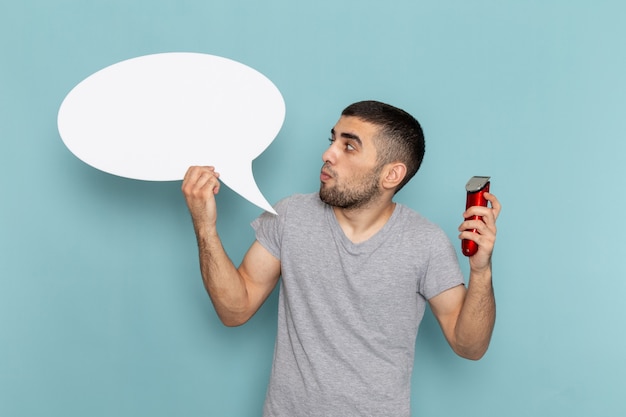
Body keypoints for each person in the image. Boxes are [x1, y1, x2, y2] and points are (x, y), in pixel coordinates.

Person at [182, 100, 501, 417]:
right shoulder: (290, 216)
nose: (328, 154)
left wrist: (480, 270)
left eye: (349, 146)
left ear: (391, 174)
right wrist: (205, 226)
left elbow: (469, 346)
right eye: (333, 139)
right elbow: (234, 310)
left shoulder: (424, 242)